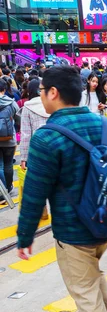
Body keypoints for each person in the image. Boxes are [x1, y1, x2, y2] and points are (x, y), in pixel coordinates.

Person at [16, 65, 107, 312]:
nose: (41, 96)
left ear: (53, 93)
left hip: (73, 229)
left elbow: (34, 193)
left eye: (42, 91)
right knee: (92, 277)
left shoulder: (47, 138)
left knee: (84, 292)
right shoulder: (106, 125)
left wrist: (25, 237)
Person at [18, 78, 50, 217]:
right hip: (54, 147)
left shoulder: (27, 107)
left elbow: (25, 135)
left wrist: (23, 157)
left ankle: (42, 211)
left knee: (38, 183)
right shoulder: (52, 104)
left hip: (36, 151)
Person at [0, 78, 19, 197]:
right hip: (9, 139)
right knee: (8, 164)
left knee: (0, 165)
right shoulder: (11, 102)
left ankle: (2, 190)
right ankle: (8, 186)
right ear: (4, 89)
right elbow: (18, 118)